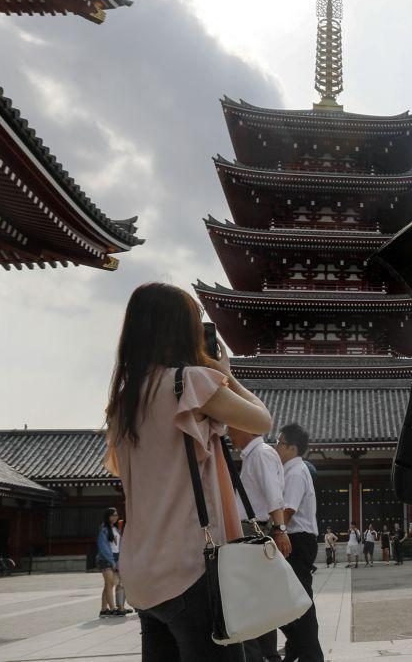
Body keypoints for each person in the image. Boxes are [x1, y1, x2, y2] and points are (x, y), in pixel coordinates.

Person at [104, 282, 272, 661]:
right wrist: (222, 372)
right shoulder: (190, 383)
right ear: (181, 330)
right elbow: (261, 420)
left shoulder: (124, 401)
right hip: (190, 567)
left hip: (142, 572)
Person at [227, 426, 290, 662]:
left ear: (246, 428)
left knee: (248, 601)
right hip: (252, 530)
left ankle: (260, 656)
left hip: (252, 531)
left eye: (232, 427)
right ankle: (268, 656)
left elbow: (273, 494)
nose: (228, 432)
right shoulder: (257, 454)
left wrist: (280, 528)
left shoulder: (261, 454)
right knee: (258, 600)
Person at [275, 422, 324, 662]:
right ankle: (297, 646)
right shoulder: (291, 470)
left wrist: (273, 533)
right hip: (295, 539)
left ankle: (310, 654)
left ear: (292, 448)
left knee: (300, 600)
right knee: (287, 598)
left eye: (279, 443)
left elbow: (288, 511)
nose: (276, 447)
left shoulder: (295, 472)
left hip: (296, 540)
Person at [96, 507, 126, 617]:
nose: (115, 517)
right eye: (112, 515)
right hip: (106, 559)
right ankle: (113, 608)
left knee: (111, 584)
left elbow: (119, 545)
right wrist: (112, 561)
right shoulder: (104, 529)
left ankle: (104, 609)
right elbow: (104, 548)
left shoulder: (116, 529)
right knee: (110, 584)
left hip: (116, 558)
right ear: (107, 517)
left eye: (116, 515)